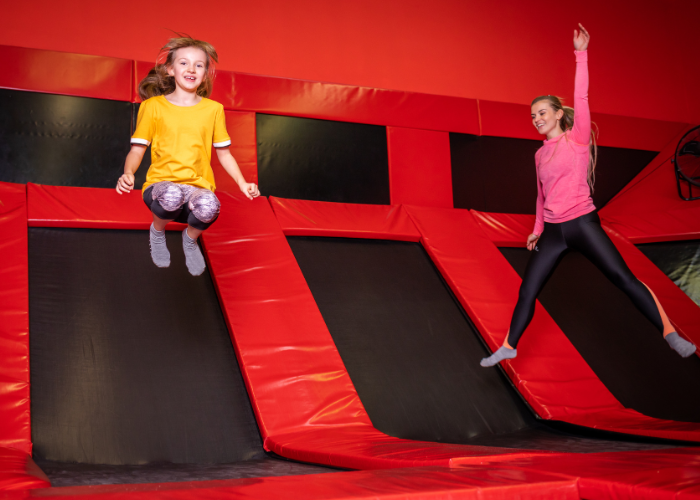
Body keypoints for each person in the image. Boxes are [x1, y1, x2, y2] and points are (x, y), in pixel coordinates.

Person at [481, 24, 696, 367]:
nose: (536, 119)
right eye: (533, 115)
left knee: (622, 277)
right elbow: (541, 194)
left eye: (542, 113)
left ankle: (670, 334)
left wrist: (581, 53)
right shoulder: (538, 154)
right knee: (528, 289)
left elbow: (581, 96)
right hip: (553, 231)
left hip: (582, 222)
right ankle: (509, 345)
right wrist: (537, 229)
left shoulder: (578, 138)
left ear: (557, 114)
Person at [116, 36, 260, 276]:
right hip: (161, 186)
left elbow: (224, 155)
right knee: (171, 196)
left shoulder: (213, 110)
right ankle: (158, 231)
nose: (191, 69)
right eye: (184, 63)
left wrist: (242, 182)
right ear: (170, 70)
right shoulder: (153, 107)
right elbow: (137, 149)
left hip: (197, 186)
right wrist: (128, 173)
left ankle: (190, 240)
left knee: (210, 207)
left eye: (199, 65)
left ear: (205, 74)